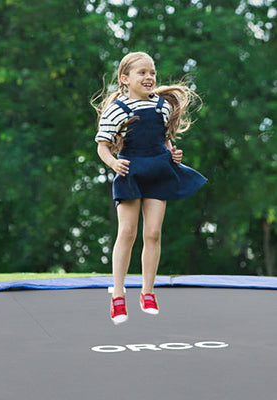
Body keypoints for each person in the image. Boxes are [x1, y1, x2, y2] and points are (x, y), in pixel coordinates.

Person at [92, 51, 207, 325]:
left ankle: (147, 292)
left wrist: (172, 154)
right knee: (128, 232)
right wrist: (113, 164)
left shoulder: (162, 106)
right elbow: (102, 146)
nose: (149, 77)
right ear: (125, 79)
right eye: (142, 73)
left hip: (158, 171)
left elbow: (164, 139)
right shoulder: (117, 109)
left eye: (152, 72)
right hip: (131, 172)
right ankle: (118, 295)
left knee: (153, 233)